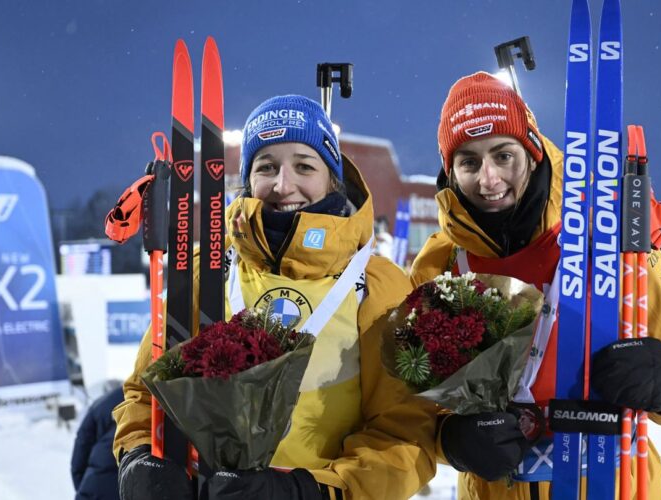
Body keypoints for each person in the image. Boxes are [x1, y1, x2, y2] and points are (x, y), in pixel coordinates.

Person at [112, 95, 436, 500]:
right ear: (248, 179)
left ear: (332, 177)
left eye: (304, 165)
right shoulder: (206, 269)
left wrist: (305, 492)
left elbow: (407, 432)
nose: (284, 186)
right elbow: (146, 396)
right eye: (266, 167)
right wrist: (140, 458)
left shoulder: (379, 284)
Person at [410, 72, 661, 499]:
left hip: (615, 484)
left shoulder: (605, 239)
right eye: (469, 162)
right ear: (451, 173)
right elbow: (417, 403)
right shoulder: (440, 265)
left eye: (503, 155)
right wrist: (450, 438)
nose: (489, 179)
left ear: (532, 153)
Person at [71, 384, 124, 500]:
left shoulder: (104, 403)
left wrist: (83, 485)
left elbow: (82, 444)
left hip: (98, 483)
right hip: (141, 484)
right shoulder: (160, 396)